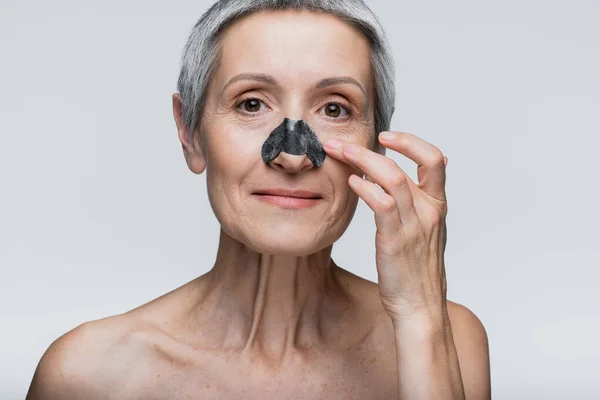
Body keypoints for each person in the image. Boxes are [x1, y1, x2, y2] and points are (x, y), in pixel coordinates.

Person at [26, 0, 491, 399]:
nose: (292, 155)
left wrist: (421, 313)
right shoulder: (89, 375)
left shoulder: (444, 339)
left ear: (374, 147)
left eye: (335, 108)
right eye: (251, 103)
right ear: (189, 134)